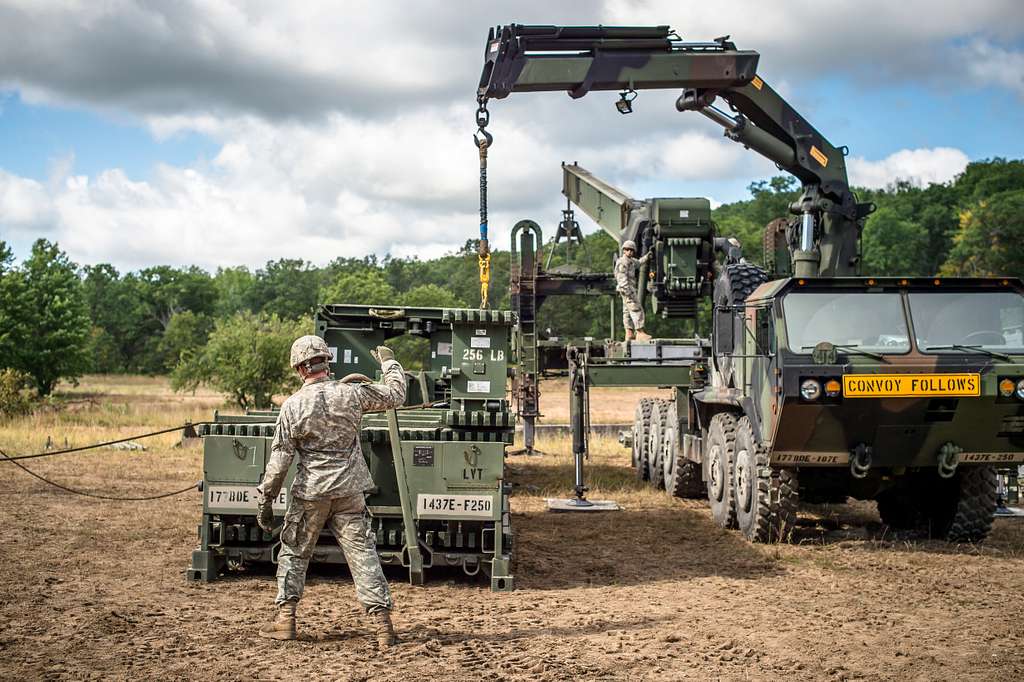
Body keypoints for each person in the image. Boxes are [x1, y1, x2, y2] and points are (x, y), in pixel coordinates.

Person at [254, 335, 407, 647]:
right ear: (327, 361)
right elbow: (396, 395)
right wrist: (390, 362)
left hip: (311, 493)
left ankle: (285, 621)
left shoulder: (292, 406)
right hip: (350, 491)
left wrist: (266, 500)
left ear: (299, 368)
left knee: (295, 553)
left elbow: (280, 460)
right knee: (363, 555)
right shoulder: (352, 394)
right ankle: (383, 628)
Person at [615, 240, 652, 341]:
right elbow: (621, 278)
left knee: (627, 311)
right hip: (627, 290)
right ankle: (640, 332)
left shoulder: (631, 261)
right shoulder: (623, 262)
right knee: (636, 309)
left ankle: (629, 333)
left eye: (632, 250)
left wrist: (647, 257)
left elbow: (639, 263)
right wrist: (627, 291)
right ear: (624, 250)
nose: (630, 252)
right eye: (628, 249)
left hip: (627, 290)